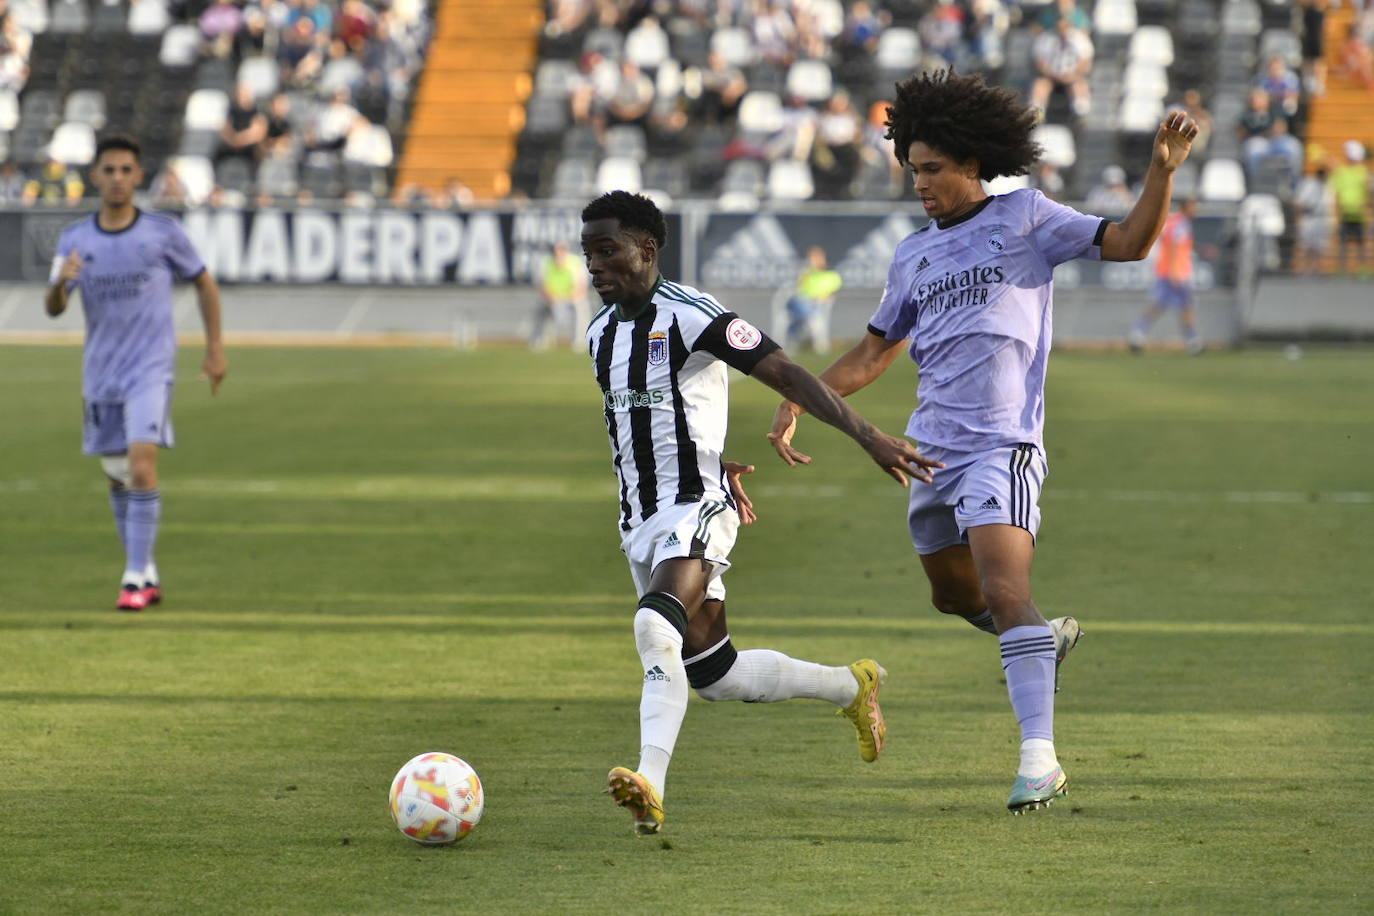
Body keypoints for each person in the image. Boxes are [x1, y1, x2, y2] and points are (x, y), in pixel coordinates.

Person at [767, 71, 1199, 813]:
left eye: (932, 168)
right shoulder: (912, 256)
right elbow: (874, 353)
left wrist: (1159, 173)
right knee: (954, 597)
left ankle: (1040, 758)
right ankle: (1038, 641)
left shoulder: (1028, 217)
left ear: (972, 161)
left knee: (1007, 591)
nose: (921, 183)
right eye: (912, 170)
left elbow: (1128, 244)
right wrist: (799, 397)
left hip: (1004, 446)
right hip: (926, 453)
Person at [581, 190, 941, 835]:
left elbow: (787, 373)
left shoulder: (695, 316)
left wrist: (868, 435)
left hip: (694, 509)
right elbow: (650, 419)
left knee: (653, 626)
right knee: (713, 673)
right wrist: (716, 456)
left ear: (648, 249)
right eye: (589, 253)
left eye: (607, 250)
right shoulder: (600, 334)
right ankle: (850, 687)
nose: (595, 265)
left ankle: (650, 784)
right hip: (640, 520)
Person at [43, 135, 228, 611]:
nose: (118, 178)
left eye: (127, 169)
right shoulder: (75, 240)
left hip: (149, 370)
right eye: (110, 170)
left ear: (139, 176)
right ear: (96, 176)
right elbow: (54, 307)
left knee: (142, 465)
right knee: (118, 475)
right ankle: (146, 570)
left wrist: (215, 348)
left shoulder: (163, 233)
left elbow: (204, 283)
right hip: (101, 373)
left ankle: (131, 579)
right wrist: (63, 281)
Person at [1128, 197, 1202, 354]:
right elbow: (1175, 247)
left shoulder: (1172, 221)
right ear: (1186, 207)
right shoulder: (1181, 224)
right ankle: (1193, 341)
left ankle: (1138, 334)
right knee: (1185, 307)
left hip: (1165, 270)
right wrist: (1175, 271)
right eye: (1194, 206)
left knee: (1159, 305)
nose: (1196, 210)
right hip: (1177, 273)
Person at [528, 241, 587, 351]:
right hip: (552, 298)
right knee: (540, 307)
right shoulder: (545, 263)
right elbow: (542, 286)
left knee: (580, 306)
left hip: (570, 298)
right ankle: (538, 340)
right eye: (556, 252)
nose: (559, 254)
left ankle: (578, 341)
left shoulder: (575, 263)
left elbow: (581, 287)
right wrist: (552, 299)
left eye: (561, 251)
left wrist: (569, 297)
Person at [784, 245, 842, 352]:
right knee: (800, 303)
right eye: (811, 258)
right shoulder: (806, 273)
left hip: (817, 305)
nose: (812, 260)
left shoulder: (832, 275)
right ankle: (808, 320)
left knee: (800, 318)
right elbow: (799, 290)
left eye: (816, 257)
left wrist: (822, 297)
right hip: (801, 302)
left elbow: (833, 293)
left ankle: (795, 338)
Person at [1330, 140, 1371, 272]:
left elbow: (1369, 192)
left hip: (1359, 213)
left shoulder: (1364, 172)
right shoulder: (1341, 172)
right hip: (1345, 212)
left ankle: (1363, 268)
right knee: (1343, 243)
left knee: (1361, 243)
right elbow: (1335, 192)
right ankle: (1341, 268)